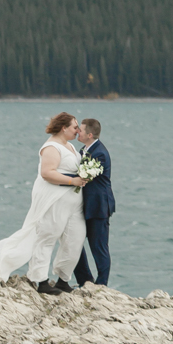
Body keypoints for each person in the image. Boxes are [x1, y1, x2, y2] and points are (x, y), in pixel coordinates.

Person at [0, 112, 85, 295]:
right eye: (75, 127)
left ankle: (64, 279)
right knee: (47, 236)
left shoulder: (69, 145)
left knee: (75, 239)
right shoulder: (51, 147)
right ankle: (41, 281)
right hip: (54, 200)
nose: (78, 131)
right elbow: (47, 173)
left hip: (74, 203)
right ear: (64, 128)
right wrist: (73, 181)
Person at [73, 117, 114, 287]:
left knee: (99, 248)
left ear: (89, 134)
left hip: (98, 207)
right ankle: (85, 280)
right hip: (84, 206)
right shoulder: (84, 149)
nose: (77, 132)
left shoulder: (100, 154)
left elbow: (82, 176)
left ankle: (101, 285)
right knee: (74, 243)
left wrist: (57, 178)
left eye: (80, 130)